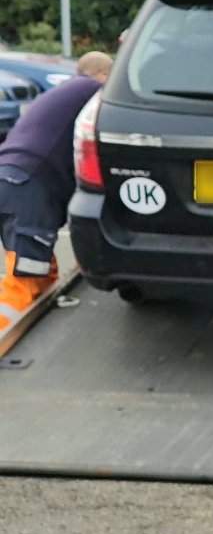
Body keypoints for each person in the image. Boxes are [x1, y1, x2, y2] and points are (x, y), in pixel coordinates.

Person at [0, 51, 112, 330]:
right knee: (23, 283)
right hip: (28, 185)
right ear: (104, 76)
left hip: (12, 179)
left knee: (42, 275)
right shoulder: (93, 91)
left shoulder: (63, 94)